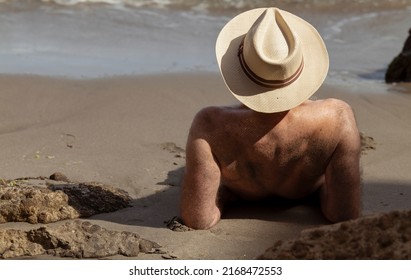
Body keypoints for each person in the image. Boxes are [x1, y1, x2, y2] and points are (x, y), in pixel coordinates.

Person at [180, 8, 361, 230]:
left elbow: (198, 219)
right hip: (304, 190)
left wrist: (224, 196)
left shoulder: (210, 124)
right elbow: (343, 214)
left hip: (242, 192)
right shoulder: (337, 119)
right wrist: (319, 192)